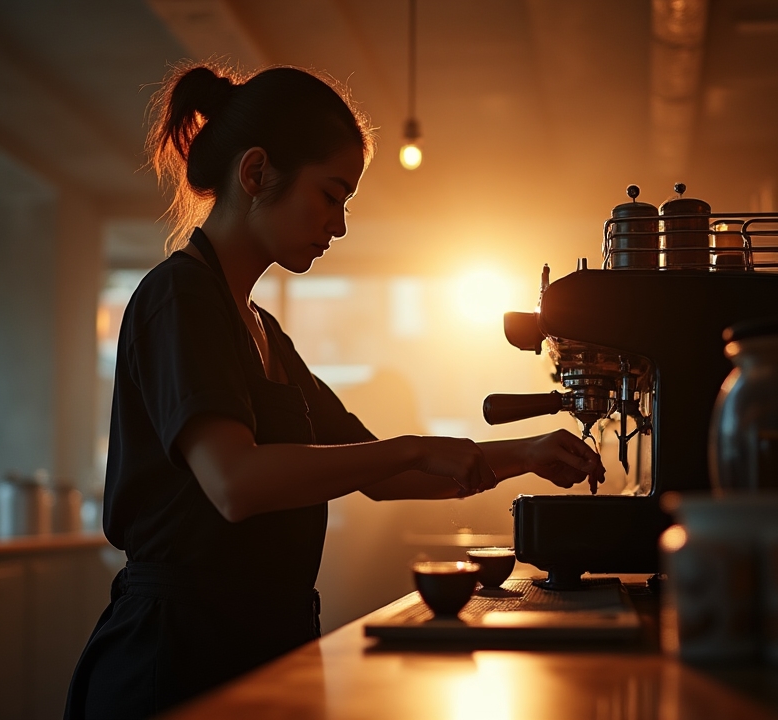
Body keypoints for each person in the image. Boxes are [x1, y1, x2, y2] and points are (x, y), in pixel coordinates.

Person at [64, 62, 604, 719]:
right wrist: (409, 446)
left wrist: (529, 452)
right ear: (257, 173)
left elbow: (378, 471)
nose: (340, 225)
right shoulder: (179, 298)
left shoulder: (262, 329)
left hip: (257, 645)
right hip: (174, 659)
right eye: (331, 194)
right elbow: (237, 483)